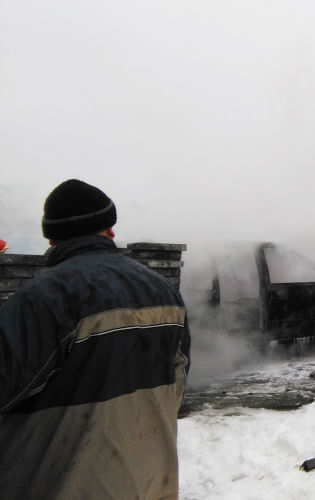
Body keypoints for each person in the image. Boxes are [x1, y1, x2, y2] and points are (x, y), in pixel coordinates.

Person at [0, 179, 191, 499]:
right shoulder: (165, 292)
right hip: (150, 484)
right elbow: (177, 387)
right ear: (110, 230)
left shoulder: (45, 298)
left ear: (50, 237)